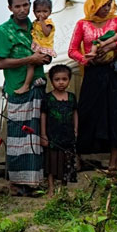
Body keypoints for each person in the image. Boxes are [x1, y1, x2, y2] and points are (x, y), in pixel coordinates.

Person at [68, 0, 117, 170]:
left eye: (109, 3)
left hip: (116, 74)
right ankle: (79, 155)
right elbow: (72, 50)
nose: (107, 7)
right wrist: (85, 59)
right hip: (93, 72)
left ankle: (114, 160)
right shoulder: (83, 24)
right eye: (103, 4)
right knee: (86, 110)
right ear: (94, 4)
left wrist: (113, 46)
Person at [0, 0, 51, 195]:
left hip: (37, 86)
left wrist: (45, 58)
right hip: (17, 90)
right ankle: (17, 184)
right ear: (10, 8)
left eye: (26, 5)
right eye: (17, 6)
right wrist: (30, 60)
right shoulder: (4, 31)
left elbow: (47, 45)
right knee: (18, 138)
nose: (22, 9)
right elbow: (1, 63)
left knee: (34, 136)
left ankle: (34, 182)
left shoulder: (37, 26)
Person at [40, 64, 78, 195]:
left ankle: (63, 188)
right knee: (52, 162)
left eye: (64, 79)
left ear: (69, 80)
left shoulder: (72, 97)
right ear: (51, 81)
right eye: (57, 79)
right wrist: (43, 134)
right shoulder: (48, 98)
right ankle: (51, 188)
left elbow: (74, 113)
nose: (61, 82)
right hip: (53, 135)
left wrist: (75, 129)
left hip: (67, 135)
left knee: (65, 162)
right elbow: (43, 115)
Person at [15, 0, 56, 94]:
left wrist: (42, 21)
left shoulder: (48, 23)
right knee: (32, 63)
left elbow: (46, 33)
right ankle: (35, 81)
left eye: (45, 11)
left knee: (31, 64)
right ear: (34, 12)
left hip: (44, 49)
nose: (41, 14)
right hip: (37, 47)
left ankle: (26, 85)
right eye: (38, 11)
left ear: (50, 12)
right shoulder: (34, 23)